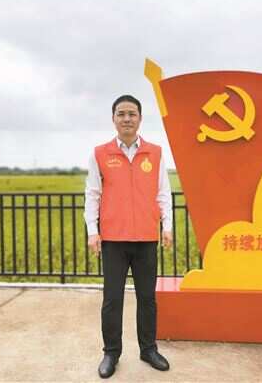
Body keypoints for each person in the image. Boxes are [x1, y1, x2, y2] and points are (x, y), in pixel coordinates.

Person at [84, 94, 173, 379]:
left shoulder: (155, 153)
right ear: (113, 119)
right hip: (114, 239)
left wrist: (167, 226)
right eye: (121, 114)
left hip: (146, 237)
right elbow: (92, 194)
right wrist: (93, 231)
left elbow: (163, 192)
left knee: (147, 298)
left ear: (140, 118)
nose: (126, 119)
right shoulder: (100, 153)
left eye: (131, 114)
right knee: (112, 299)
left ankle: (148, 349)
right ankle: (111, 352)